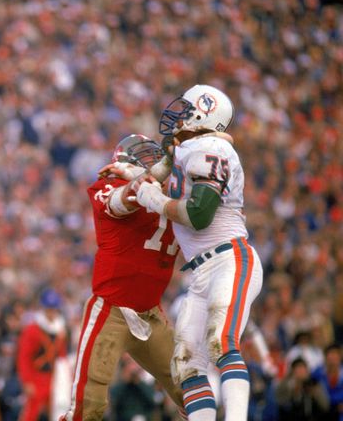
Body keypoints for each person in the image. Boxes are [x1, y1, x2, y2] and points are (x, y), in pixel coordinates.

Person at [133, 84, 264, 420]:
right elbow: (150, 178)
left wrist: (157, 201)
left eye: (185, 108)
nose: (177, 115)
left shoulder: (212, 148)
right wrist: (137, 175)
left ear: (203, 113)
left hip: (229, 259)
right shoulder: (189, 148)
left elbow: (199, 214)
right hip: (200, 272)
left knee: (222, 341)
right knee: (187, 366)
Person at [59, 134, 185, 421]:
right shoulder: (109, 185)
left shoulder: (172, 196)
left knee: (193, 392)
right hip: (110, 311)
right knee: (87, 407)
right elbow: (124, 200)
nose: (152, 162)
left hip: (151, 313)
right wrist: (155, 171)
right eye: (144, 158)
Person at [17, 288, 68, 421]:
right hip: (36, 377)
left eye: (54, 309)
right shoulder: (32, 329)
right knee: (31, 413)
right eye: (49, 309)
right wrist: (27, 380)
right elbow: (24, 357)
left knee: (57, 412)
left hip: (54, 377)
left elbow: (62, 356)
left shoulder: (60, 330)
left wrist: (65, 379)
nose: (51, 313)